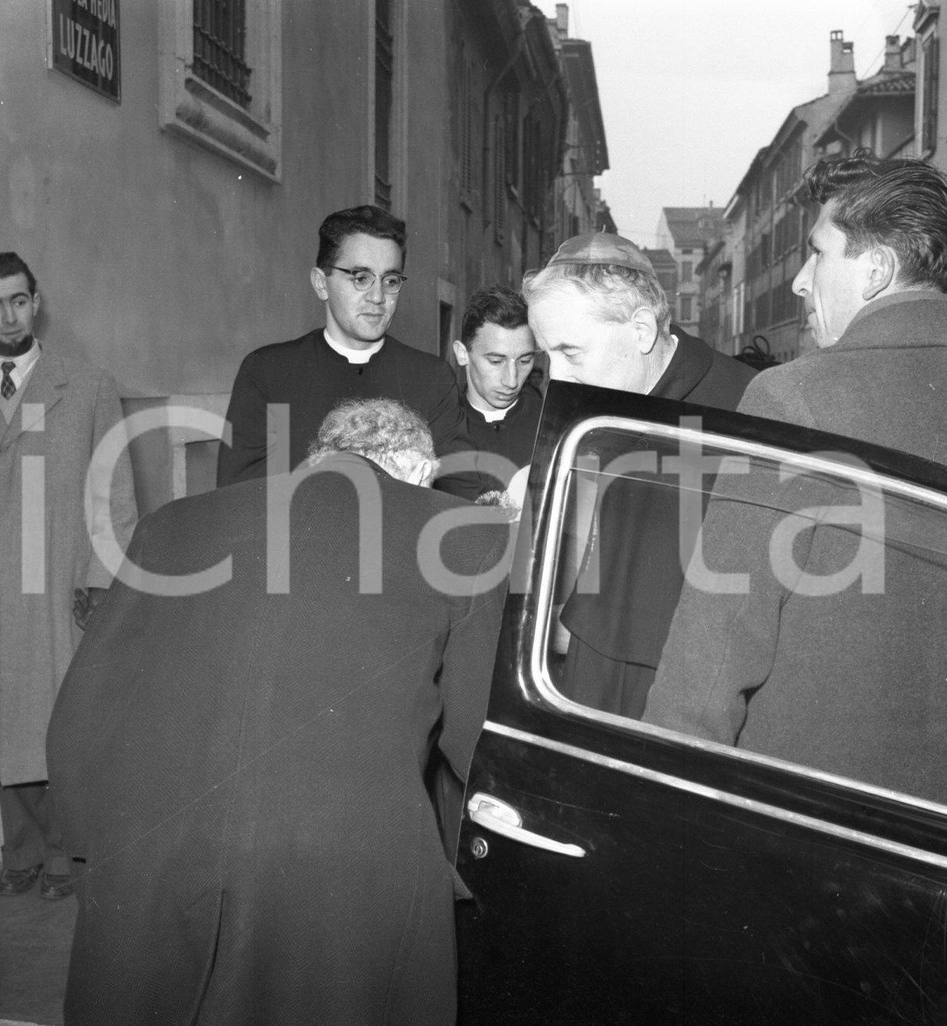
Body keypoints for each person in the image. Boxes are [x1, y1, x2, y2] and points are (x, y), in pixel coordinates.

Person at [46, 398, 511, 1026]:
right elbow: (478, 743)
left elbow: (83, 709)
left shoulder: (173, 523)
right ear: (416, 469)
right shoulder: (464, 535)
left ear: (315, 459)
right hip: (337, 872)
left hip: (150, 850)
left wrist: (89, 855)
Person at [644, 153, 947, 801]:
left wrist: (658, 804)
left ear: (877, 270)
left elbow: (715, 649)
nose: (801, 281)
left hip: (815, 817)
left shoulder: (796, 398)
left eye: (818, 254)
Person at [0, 251, 137, 901]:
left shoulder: (84, 383)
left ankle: (66, 859)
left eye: (19, 300)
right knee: (5, 724)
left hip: (62, 578)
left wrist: (101, 576)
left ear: (38, 300)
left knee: (64, 721)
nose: (9, 315)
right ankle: (20, 854)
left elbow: (113, 490)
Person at [523, 233, 756, 717]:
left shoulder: (749, 406)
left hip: (685, 705)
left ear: (642, 330)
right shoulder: (589, 409)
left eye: (571, 351)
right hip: (583, 686)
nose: (556, 381)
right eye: (547, 358)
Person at [216, 204, 468, 486]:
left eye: (391, 280)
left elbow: (455, 500)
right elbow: (238, 499)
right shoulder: (268, 373)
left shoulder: (432, 380)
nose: (378, 296)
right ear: (321, 284)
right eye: (361, 278)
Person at [438, 285, 542, 502]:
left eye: (524, 361)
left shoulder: (549, 425)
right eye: (496, 361)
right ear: (462, 354)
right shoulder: (441, 428)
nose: (512, 380)